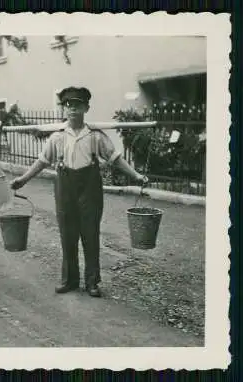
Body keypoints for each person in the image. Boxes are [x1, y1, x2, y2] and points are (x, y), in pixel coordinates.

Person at [10, 86, 148, 297]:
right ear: (65, 109)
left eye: (77, 105)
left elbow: (116, 159)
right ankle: (70, 280)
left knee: (90, 235)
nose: (72, 109)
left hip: (90, 190)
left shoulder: (95, 136)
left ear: (86, 108)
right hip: (65, 188)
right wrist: (23, 179)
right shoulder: (57, 137)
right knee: (67, 235)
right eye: (69, 105)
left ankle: (92, 281)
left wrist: (136, 176)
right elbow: (42, 161)